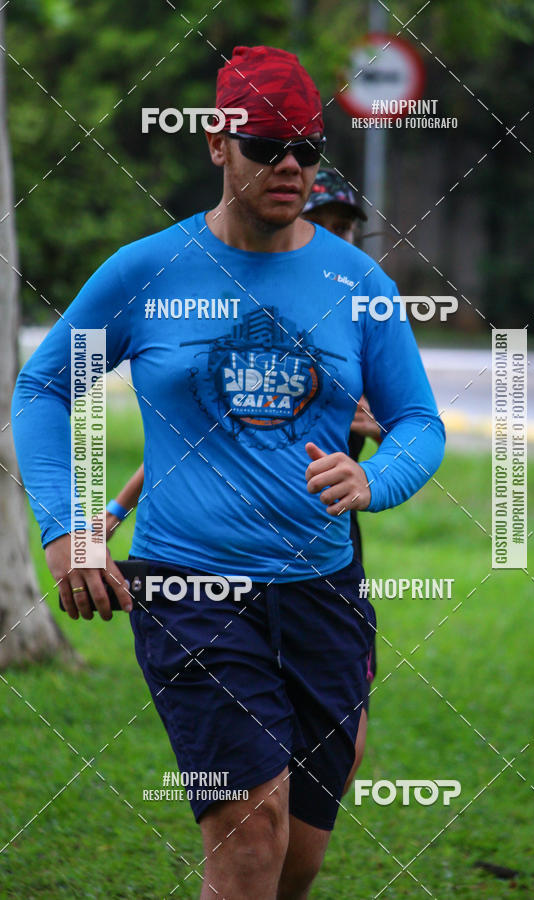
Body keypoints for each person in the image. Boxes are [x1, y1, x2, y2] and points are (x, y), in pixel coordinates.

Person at [12, 46, 445, 900]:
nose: (289, 165)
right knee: (252, 838)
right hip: (190, 589)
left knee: (296, 863)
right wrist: (67, 528)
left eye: (307, 150)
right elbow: (42, 388)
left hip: (323, 592)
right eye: (265, 144)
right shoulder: (146, 272)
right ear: (218, 143)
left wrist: (376, 479)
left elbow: (420, 423)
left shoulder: (356, 281)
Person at [105, 169, 380, 795]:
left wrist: (373, 448)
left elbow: (415, 426)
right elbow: (193, 444)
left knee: (343, 748)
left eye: (346, 228)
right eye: (327, 221)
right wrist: (114, 513)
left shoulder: (354, 307)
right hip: (206, 566)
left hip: (325, 553)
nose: (335, 235)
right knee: (254, 794)